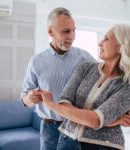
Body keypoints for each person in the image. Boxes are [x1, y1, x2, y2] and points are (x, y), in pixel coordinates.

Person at [37, 24, 130, 150]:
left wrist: (51, 104)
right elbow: (64, 106)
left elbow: (95, 120)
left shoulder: (126, 85)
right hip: (67, 141)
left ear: (120, 47)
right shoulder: (85, 68)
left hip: (105, 146)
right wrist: (108, 120)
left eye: (106, 39)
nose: (100, 43)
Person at [21, 7, 95, 150]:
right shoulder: (36, 61)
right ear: (50, 31)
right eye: (66, 31)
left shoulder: (85, 58)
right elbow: (24, 98)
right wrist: (30, 98)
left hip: (74, 127)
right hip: (48, 128)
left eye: (74, 30)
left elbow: (105, 83)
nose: (72, 36)